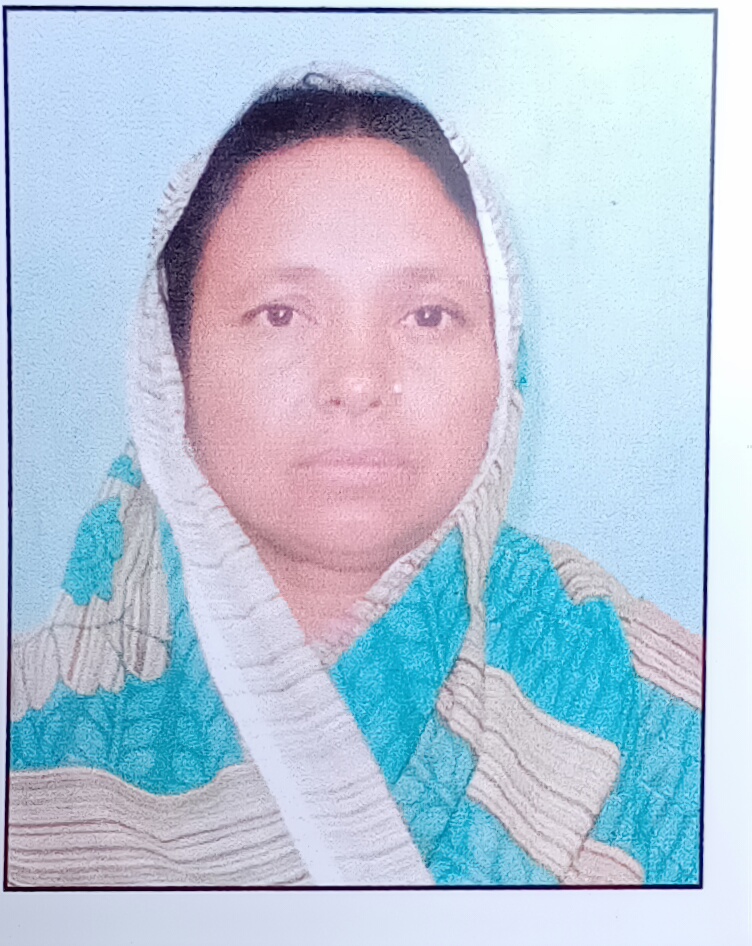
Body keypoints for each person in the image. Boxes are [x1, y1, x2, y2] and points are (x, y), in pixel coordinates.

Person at [7, 68, 702, 887]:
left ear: (503, 362)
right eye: (281, 314)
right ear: (172, 366)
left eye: (428, 316)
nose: (358, 381)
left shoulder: (670, 715)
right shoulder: (29, 733)